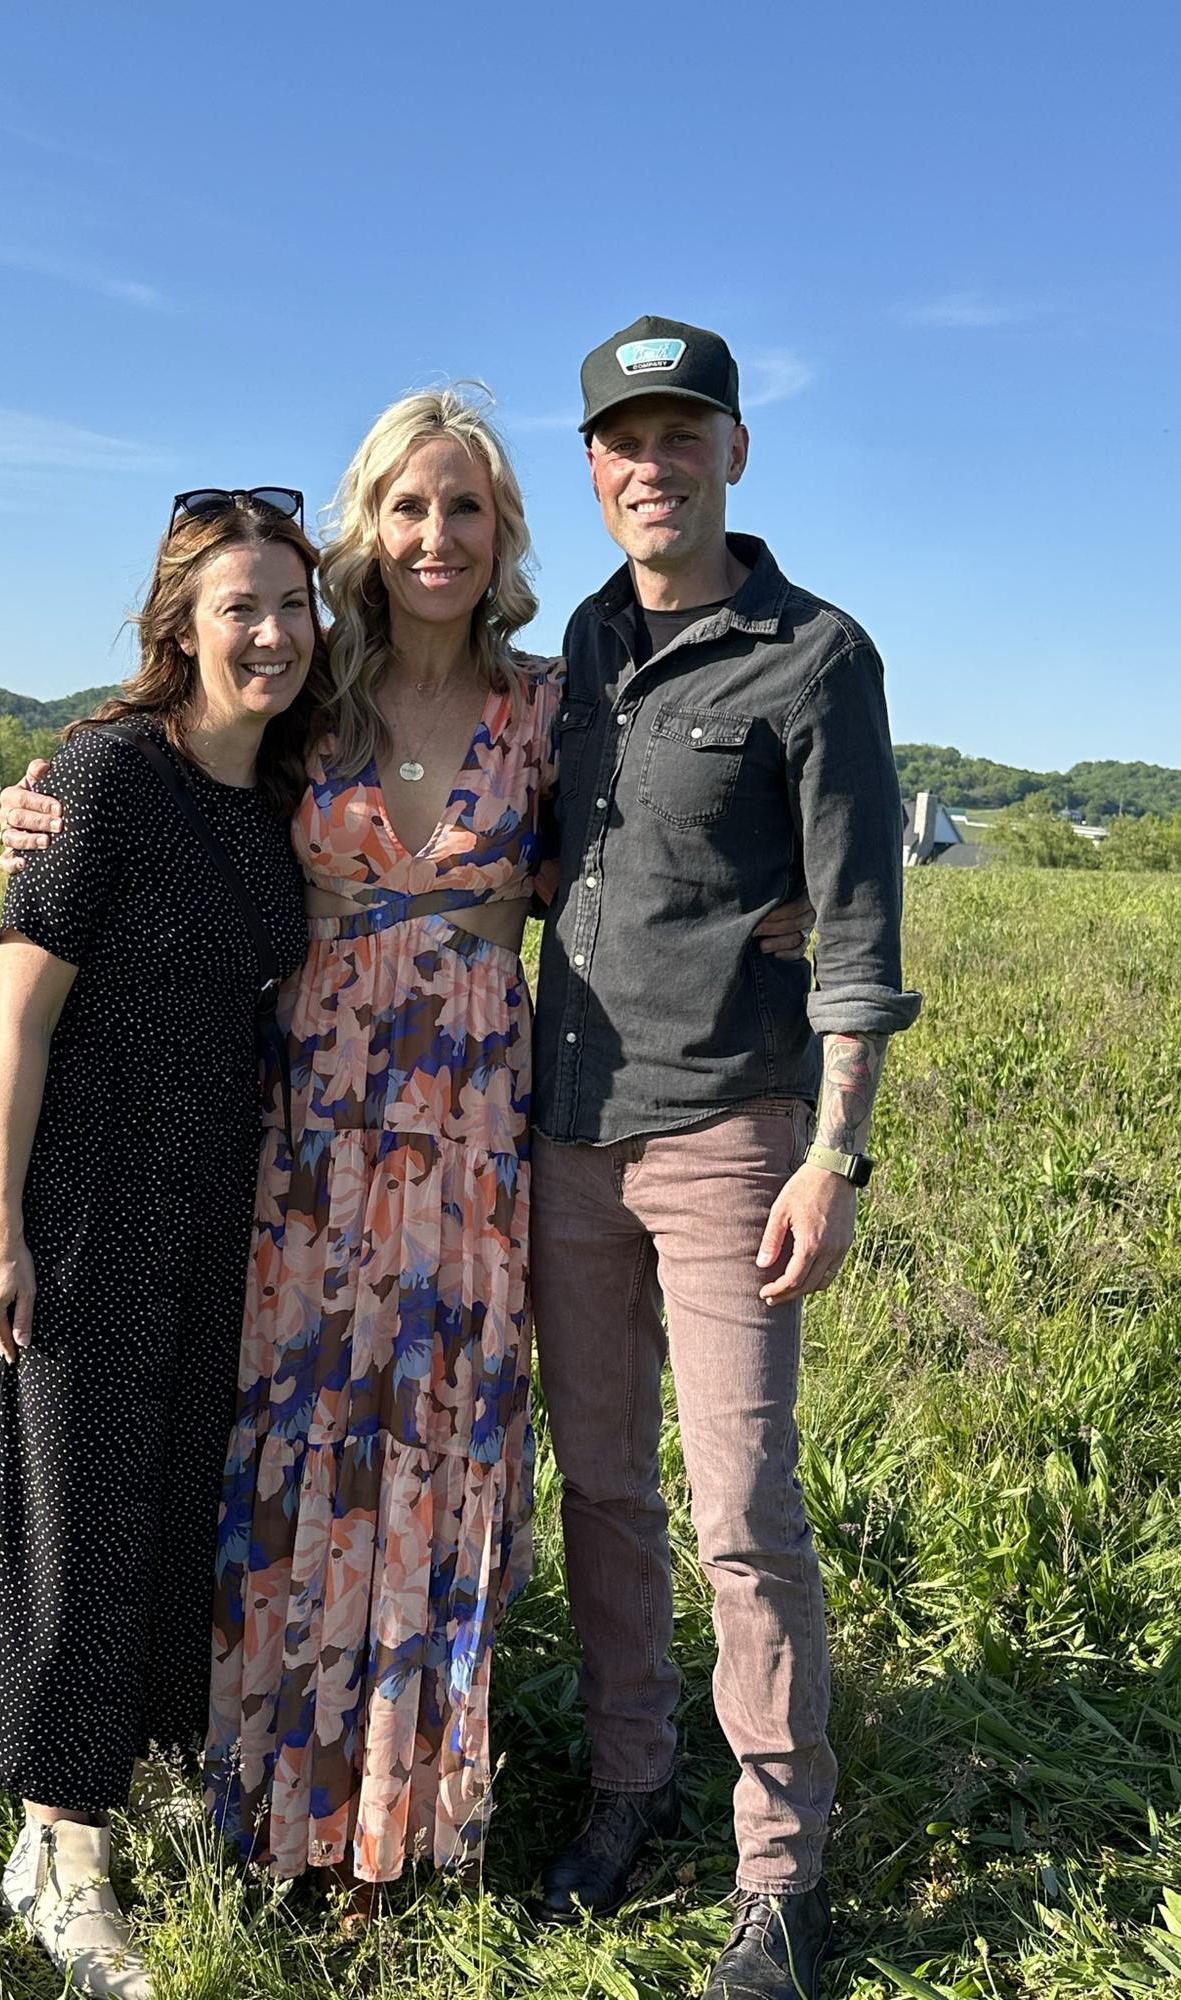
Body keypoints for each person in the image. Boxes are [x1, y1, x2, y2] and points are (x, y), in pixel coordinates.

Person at [0, 391, 814, 1913]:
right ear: (367, 530)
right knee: (299, 1429)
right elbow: (170, 754)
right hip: (305, 1119)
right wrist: (41, 801)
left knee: (444, 1447)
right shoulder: (313, 698)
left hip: (478, 1121)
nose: (437, 537)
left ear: (505, 532)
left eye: (467, 508)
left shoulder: (554, 703)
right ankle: (272, 1795)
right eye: (409, 508)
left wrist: (789, 896)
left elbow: (669, 831)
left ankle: (401, 1817)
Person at [527, 317, 920, 2000]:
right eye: (625, 440)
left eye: (684, 434)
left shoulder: (816, 658)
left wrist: (837, 1152)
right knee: (602, 1489)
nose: (655, 464)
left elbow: (859, 928)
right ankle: (631, 1780)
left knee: (743, 1507)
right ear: (592, 469)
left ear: (737, 453)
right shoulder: (574, 649)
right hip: (563, 1139)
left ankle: (781, 1869)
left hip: (731, 1136)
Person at [0, 489, 326, 1999]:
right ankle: (57, 1850)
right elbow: (17, 1023)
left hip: (217, 1202)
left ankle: (110, 1776)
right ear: (181, 625)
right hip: (92, 1201)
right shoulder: (105, 778)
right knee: (79, 1509)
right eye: (240, 607)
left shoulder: (275, 791)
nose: (271, 633)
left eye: (291, 605)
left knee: (169, 1504)